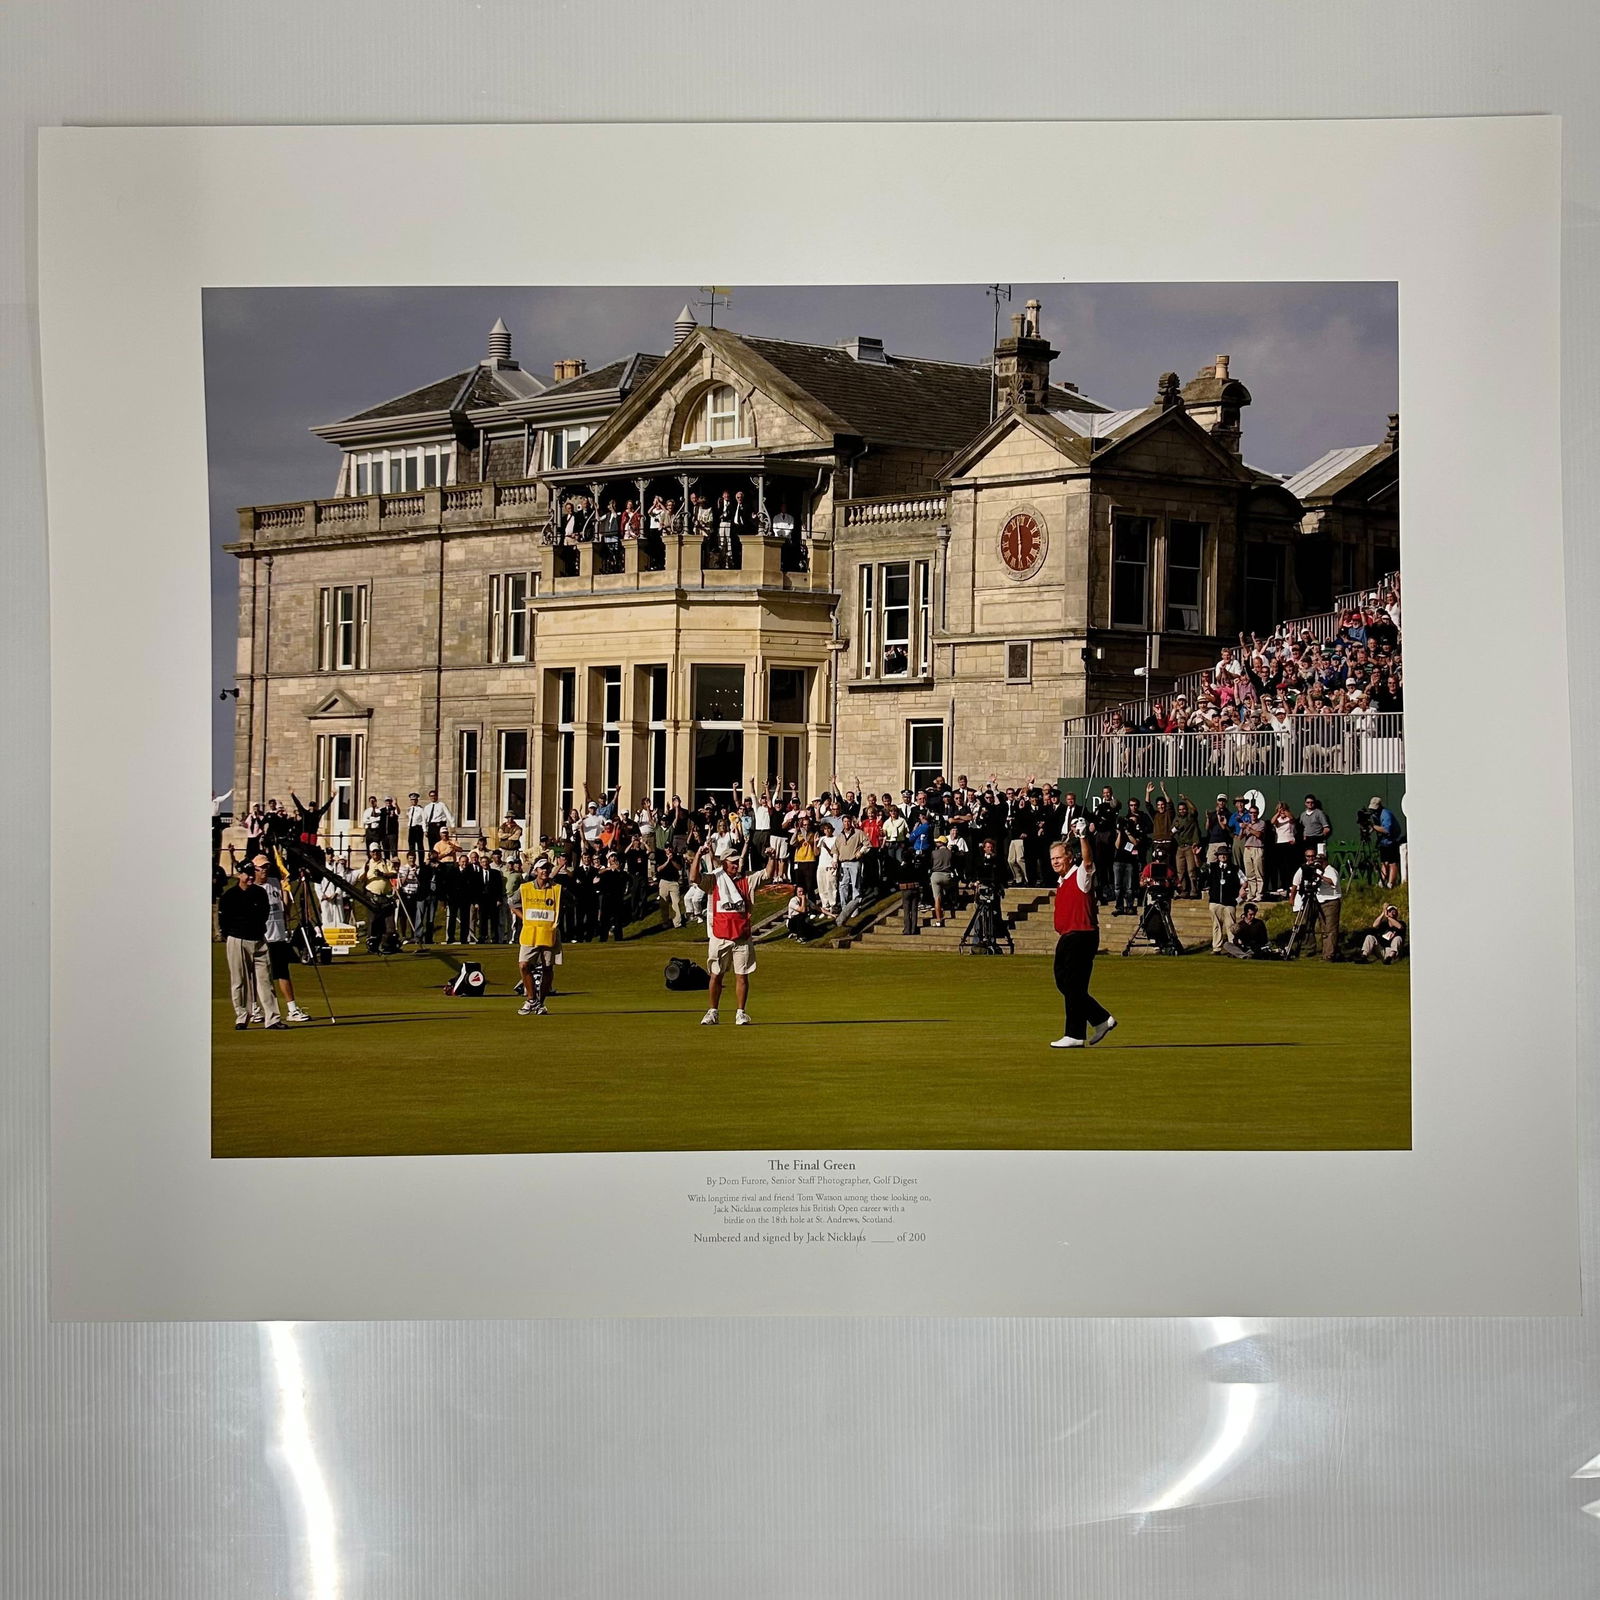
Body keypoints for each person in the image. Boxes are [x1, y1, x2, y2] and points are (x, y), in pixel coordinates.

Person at [1047, 829, 1115, 1050]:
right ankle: (1100, 1020)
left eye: (1058, 858)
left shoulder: (1079, 874)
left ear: (1069, 857)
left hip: (1081, 935)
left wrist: (1084, 836)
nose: (1055, 862)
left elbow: (1088, 861)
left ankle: (1076, 1033)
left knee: (1071, 984)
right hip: (1070, 936)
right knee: (1067, 983)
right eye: (1052, 859)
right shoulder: (1063, 880)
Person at [692, 839, 765, 1026]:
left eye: (737, 860)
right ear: (724, 863)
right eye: (732, 861)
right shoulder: (715, 879)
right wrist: (698, 855)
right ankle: (713, 1011)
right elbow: (694, 878)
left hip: (741, 935)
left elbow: (768, 873)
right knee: (716, 974)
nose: (736, 863)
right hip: (720, 934)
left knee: (742, 975)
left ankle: (741, 1013)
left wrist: (771, 858)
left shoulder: (745, 880)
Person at [218, 862, 282, 1030]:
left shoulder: (260, 893)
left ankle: (272, 1018)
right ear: (240, 875)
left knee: (266, 980)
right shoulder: (230, 896)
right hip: (238, 940)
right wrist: (231, 934)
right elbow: (223, 921)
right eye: (247, 874)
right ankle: (241, 1017)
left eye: (252, 873)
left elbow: (264, 914)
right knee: (239, 980)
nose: (251, 877)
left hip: (259, 940)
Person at [255, 863, 313, 1021]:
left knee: (283, 974)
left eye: (266, 866)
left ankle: (292, 1009)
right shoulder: (252, 888)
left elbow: (285, 911)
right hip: (262, 939)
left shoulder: (275, 882)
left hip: (279, 937)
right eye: (260, 867)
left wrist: (286, 891)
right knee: (261, 976)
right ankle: (255, 1008)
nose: (264, 870)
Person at [515, 857, 562, 1015]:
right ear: (535, 871)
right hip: (530, 933)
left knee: (548, 968)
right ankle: (531, 999)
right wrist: (525, 918)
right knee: (523, 965)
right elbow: (512, 903)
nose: (545, 871)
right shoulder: (525, 888)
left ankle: (539, 1003)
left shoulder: (557, 888)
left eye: (548, 868)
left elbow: (571, 901)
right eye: (542, 868)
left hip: (549, 933)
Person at [1289, 847, 1343, 960]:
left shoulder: (1330, 870)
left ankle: (1329, 954)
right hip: (1320, 901)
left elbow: (1333, 882)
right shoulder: (1312, 869)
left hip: (1330, 901)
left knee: (1330, 929)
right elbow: (1296, 883)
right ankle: (1321, 952)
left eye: (1319, 861)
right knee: (1323, 929)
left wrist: (1319, 876)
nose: (1316, 863)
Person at [1205, 847, 1241, 952]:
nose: (1223, 856)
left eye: (1225, 854)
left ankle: (1233, 948)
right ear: (1217, 856)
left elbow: (1244, 881)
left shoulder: (1235, 868)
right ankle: (1216, 947)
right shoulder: (1212, 867)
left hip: (1229, 902)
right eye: (1220, 854)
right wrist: (1196, 855)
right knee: (1216, 926)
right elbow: (1200, 869)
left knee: (1231, 926)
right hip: (1215, 901)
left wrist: (1241, 891)